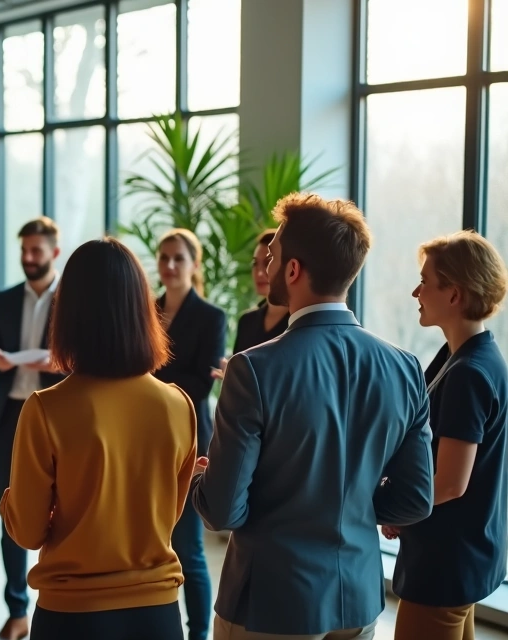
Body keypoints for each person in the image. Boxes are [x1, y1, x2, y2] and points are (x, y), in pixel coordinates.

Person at [192, 193, 435, 640]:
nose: (265, 261)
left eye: (273, 253)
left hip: (271, 602)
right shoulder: (404, 368)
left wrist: (197, 482)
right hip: (359, 599)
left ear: (292, 270)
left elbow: (223, 510)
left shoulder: (253, 368)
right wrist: (349, 506)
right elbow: (417, 498)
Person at [0, 237, 197, 640]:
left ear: (68, 313)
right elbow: (166, 516)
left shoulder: (46, 409)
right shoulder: (177, 405)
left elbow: (28, 531)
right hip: (157, 613)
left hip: (73, 614)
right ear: (142, 309)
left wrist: (13, 500)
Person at [383, 231, 508, 640]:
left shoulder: (468, 373)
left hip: (444, 564)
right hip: (461, 556)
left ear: (454, 295)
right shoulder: (471, 357)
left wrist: (394, 508)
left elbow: (451, 483)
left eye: (426, 282)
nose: (416, 291)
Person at [0, 216, 66, 640]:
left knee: (60, 513)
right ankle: (17, 611)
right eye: (24, 250)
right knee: (9, 513)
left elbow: (81, 361)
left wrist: (56, 363)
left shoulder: (70, 300)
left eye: (36, 251)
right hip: (9, 417)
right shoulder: (4, 298)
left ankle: (53, 605)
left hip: (55, 418)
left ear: (54, 252)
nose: (28, 258)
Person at [152, 227, 226, 640]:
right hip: (145, 435)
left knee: (188, 548)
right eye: (164, 257)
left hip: (188, 436)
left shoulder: (211, 316)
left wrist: (151, 383)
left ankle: (197, 633)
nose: (170, 265)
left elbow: (202, 383)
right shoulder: (149, 308)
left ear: (194, 264)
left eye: (178, 258)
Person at [213, 229, 290, 379]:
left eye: (268, 262)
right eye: (255, 263)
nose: (260, 273)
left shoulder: (298, 322)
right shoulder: (247, 321)